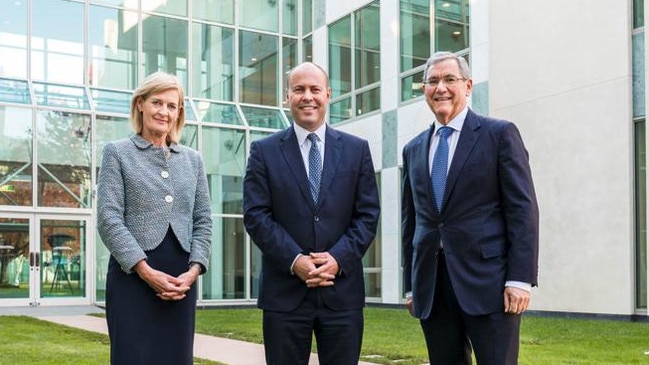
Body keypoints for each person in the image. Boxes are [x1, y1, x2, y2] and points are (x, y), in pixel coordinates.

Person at [401, 51, 539, 365]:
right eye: (432, 81)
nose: (441, 88)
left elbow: (523, 211)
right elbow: (412, 223)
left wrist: (519, 279)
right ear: (424, 90)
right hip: (433, 289)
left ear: (468, 86)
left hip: (490, 286)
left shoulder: (499, 135)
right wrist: (411, 285)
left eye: (450, 79)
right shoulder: (413, 150)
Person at [243, 62, 380, 365]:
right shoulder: (263, 151)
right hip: (285, 295)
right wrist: (296, 260)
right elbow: (256, 216)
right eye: (299, 89)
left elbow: (368, 215)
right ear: (287, 97)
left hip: (341, 294)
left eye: (315, 89)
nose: (308, 96)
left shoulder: (357, 150)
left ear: (328, 94)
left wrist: (338, 259)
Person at [97, 71, 212, 365]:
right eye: (157, 103)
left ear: (179, 113)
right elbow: (109, 219)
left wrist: (194, 270)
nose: (164, 112)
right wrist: (146, 271)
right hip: (132, 277)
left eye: (172, 106)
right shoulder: (117, 153)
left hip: (180, 281)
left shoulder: (193, 159)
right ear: (140, 105)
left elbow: (203, 220)